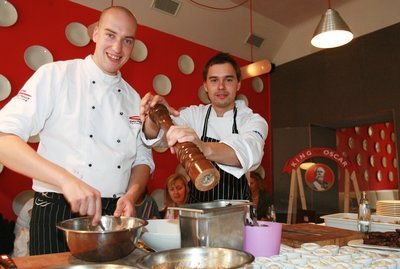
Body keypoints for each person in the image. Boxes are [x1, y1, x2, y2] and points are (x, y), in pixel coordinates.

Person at [0, 6, 154, 255]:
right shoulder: (56, 75)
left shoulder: (133, 98)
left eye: (127, 40)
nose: (117, 48)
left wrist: (132, 194)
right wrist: (66, 181)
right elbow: (3, 139)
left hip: (112, 216)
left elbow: (142, 159)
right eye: (110, 35)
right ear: (94, 33)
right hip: (58, 211)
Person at [140, 52, 268, 203]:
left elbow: (249, 150)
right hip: (199, 212)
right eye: (214, 80)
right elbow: (157, 137)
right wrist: (155, 117)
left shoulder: (253, 120)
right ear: (205, 86)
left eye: (228, 80)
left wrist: (203, 147)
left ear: (238, 84)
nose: (221, 87)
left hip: (236, 213)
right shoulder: (194, 115)